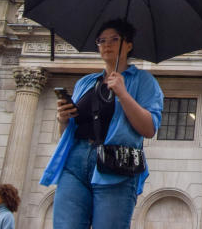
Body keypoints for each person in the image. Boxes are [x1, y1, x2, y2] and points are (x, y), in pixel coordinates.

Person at [41, 19, 164, 229]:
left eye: (114, 39)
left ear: (128, 45)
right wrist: (63, 118)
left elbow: (149, 128)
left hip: (115, 164)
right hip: (75, 161)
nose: (106, 44)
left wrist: (123, 94)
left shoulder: (143, 81)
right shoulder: (86, 82)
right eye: (101, 40)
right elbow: (69, 132)